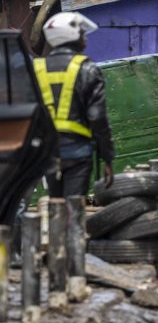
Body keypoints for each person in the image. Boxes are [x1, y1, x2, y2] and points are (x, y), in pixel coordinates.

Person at [34, 12, 114, 197]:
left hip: (46, 152)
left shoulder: (36, 68)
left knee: (56, 204)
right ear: (70, 35)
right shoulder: (87, 68)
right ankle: (73, 226)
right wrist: (107, 158)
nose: (84, 38)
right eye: (81, 33)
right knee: (74, 206)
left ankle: (59, 225)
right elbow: (98, 117)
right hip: (77, 151)